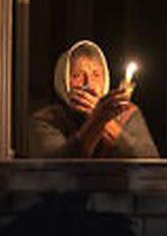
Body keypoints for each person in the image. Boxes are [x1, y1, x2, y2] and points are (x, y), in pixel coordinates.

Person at [27, 40, 159, 158]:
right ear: (63, 81)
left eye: (96, 75)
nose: (88, 83)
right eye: (77, 75)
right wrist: (97, 119)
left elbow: (149, 160)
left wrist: (104, 119)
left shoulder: (126, 112)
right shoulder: (47, 119)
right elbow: (60, 170)